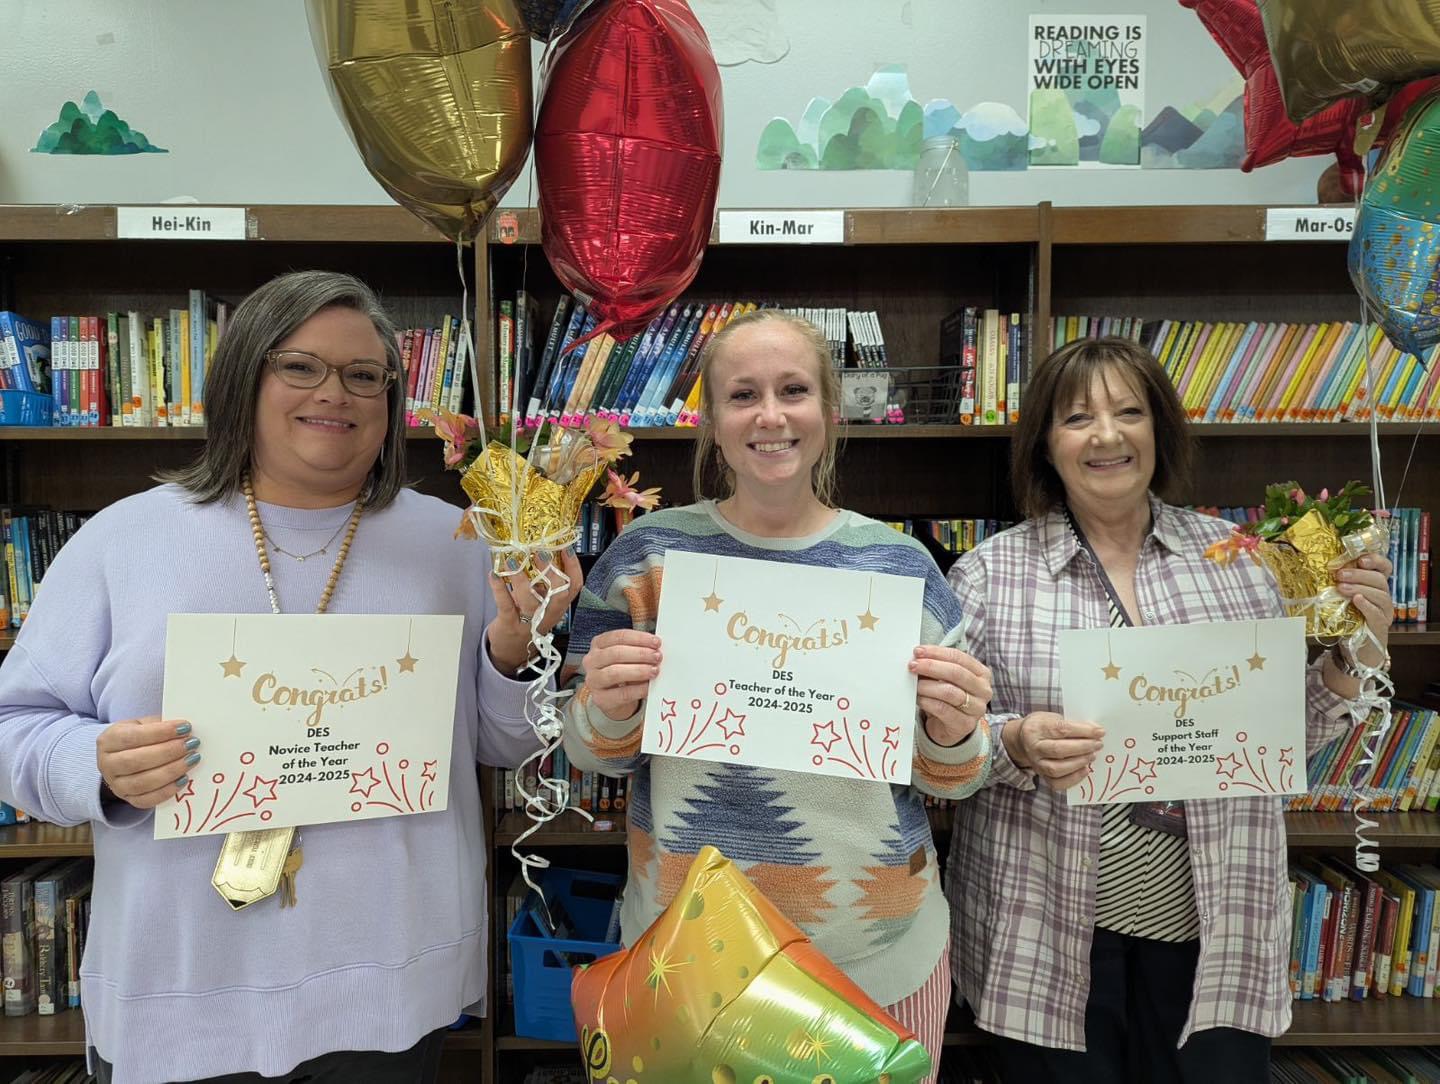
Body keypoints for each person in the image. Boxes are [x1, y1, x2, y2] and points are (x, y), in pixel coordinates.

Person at [0, 271, 581, 1084]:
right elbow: (14, 725)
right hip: (184, 982)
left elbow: (496, 742)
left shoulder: (455, 540)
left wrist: (516, 657)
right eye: (300, 366)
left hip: (387, 979)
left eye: (364, 374)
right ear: (243, 380)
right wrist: (91, 764)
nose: (333, 393)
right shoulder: (121, 542)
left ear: (390, 398)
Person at [944, 336, 1393, 1082]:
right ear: (1045, 445)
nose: (1108, 435)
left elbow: (1285, 737)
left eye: (1129, 412)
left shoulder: (1243, 561)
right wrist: (1014, 741)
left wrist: (1351, 657)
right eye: (1078, 418)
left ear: (1160, 429)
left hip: (1217, 930)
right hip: (1046, 933)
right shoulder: (988, 576)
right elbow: (944, 754)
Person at [561, 309, 993, 1078]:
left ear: (830, 413)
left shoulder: (900, 566)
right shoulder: (645, 557)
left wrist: (956, 731)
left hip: (879, 956)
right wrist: (610, 708)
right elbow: (594, 753)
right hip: (685, 961)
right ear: (712, 422)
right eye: (742, 395)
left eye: (794, 390)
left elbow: (951, 775)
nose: (770, 415)